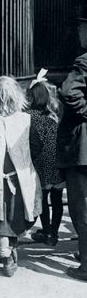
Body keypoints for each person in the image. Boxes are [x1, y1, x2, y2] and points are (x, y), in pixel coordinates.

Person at [0, 76, 42, 277]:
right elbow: (37, 147)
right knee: (15, 218)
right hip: (20, 180)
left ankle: (7, 253)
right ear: (17, 96)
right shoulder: (26, 120)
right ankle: (8, 254)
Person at [57, 23, 87, 281]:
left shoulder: (84, 61)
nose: (79, 33)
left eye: (82, 29)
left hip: (83, 148)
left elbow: (68, 92)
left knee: (82, 207)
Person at [25, 72, 64, 247]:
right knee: (57, 200)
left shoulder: (29, 116)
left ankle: (46, 230)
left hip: (40, 162)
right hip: (57, 162)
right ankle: (54, 233)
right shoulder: (55, 114)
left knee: (43, 199)